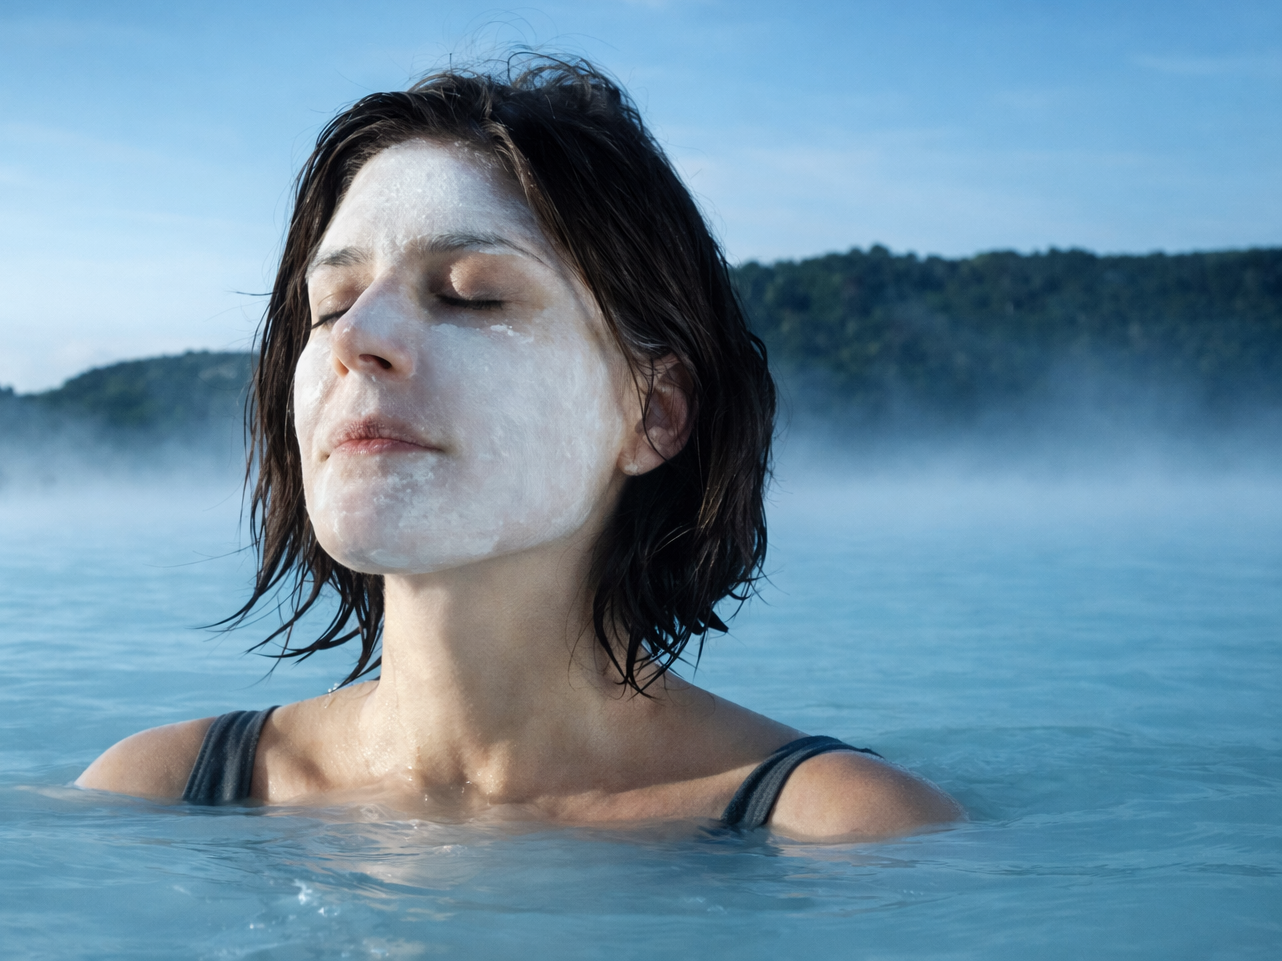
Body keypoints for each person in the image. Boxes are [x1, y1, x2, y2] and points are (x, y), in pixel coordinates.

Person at [78, 56, 961, 840]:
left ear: (652, 413)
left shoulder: (850, 833)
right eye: (332, 302)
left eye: (472, 295)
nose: (358, 337)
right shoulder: (158, 795)